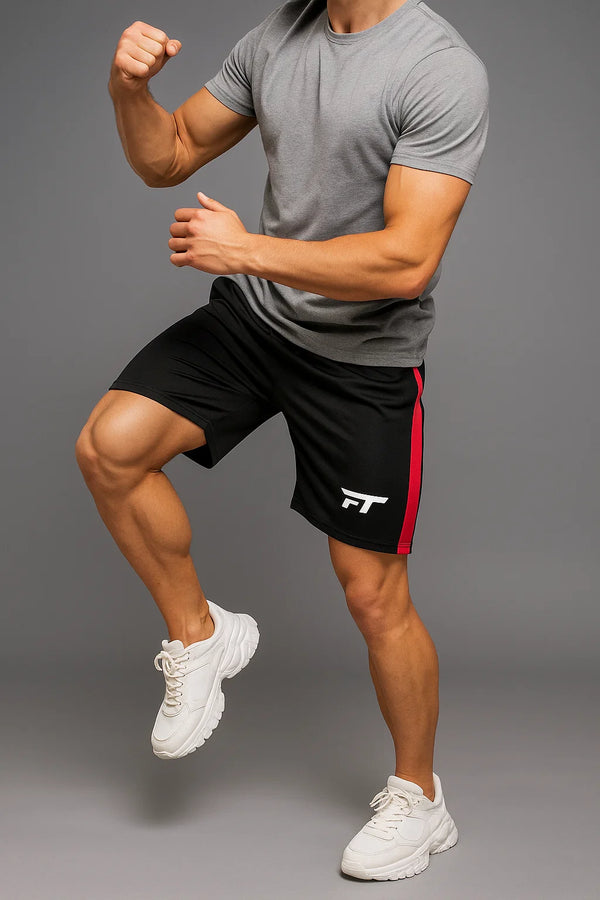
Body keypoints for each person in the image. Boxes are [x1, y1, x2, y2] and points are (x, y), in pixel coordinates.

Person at [75, 0, 489, 882]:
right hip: (259, 322)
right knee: (111, 446)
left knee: (372, 594)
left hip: (364, 359)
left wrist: (246, 251)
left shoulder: (438, 68)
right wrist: (128, 91)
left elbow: (407, 259)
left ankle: (420, 798)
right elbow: (166, 156)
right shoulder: (277, 39)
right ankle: (201, 636)